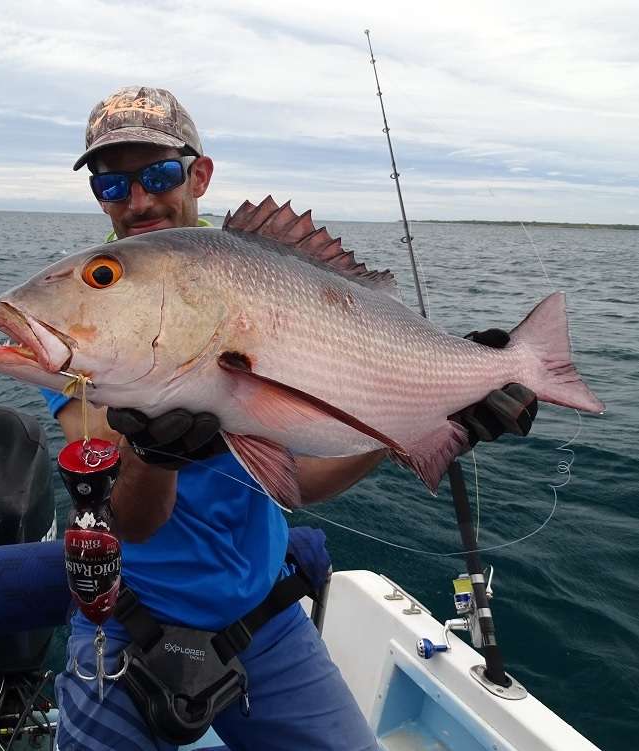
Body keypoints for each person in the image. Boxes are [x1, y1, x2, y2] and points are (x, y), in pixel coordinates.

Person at [42, 86, 538, 751]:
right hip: (130, 622)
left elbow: (300, 479)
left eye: (158, 174)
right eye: (112, 182)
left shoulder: (262, 278)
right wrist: (152, 455)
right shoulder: (89, 332)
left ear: (199, 174)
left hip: (265, 618)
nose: (137, 200)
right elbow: (130, 521)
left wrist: (429, 422)